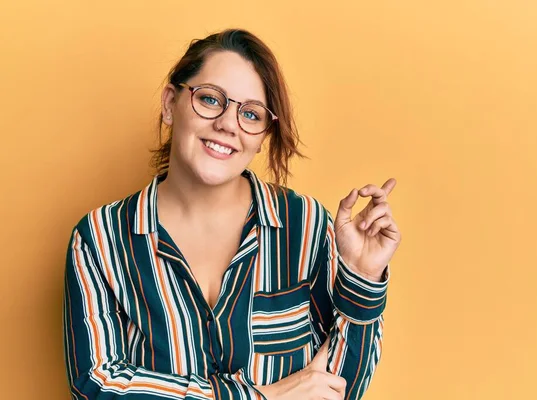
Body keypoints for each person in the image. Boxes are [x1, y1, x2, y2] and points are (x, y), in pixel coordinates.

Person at [63, 29, 401, 400]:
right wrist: (260, 397)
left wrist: (364, 278)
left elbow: (338, 390)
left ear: (262, 136)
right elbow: (97, 385)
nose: (227, 124)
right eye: (210, 99)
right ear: (169, 103)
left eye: (251, 114)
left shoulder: (304, 224)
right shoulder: (99, 239)